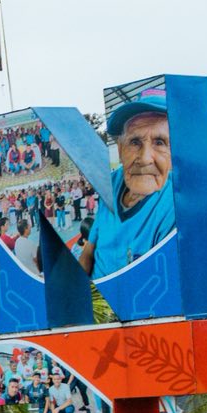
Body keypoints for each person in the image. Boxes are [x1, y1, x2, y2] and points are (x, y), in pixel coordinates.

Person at [82, 90, 176, 278]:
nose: (145, 158)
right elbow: (88, 252)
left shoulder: (176, 205)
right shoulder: (110, 183)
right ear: (120, 149)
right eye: (134, 142)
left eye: (159, 142)